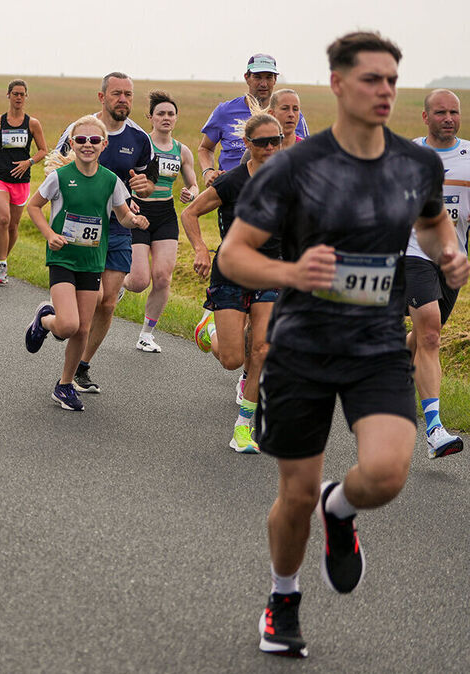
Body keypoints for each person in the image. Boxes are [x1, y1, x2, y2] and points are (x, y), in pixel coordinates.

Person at [216, 32, 469, 658]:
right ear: (337, 84)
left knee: (385, 473)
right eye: (370, 80)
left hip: (377, 342)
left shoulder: (414, 165)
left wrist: (449, 253)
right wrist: (290, 274)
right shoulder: (293, 167)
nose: (383, 91)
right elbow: (235, 254)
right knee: (293, 496)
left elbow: (433, 218)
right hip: (301, 347)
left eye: (391, 80)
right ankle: (283, 597)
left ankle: (343, 508)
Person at [24, 115, 149, 411]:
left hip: (93, 261)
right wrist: (50, 234)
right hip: (63, 258)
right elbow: (33, 206)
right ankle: (44, 320)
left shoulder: (111, 181)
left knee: (83, 328)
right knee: (67, 325)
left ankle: (64, 385)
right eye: (81, 140)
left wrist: (135, 220)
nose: (88, 145)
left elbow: (122, 216)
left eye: (94, 140)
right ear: (72, 143)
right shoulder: (59, 177)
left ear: (104, 145)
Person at [181, 113, 284, 453]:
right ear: (249, 145)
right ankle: (208, 330)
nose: (270, 148)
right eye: (263, 142)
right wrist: (199, 248)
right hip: (230, 272)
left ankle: (243, 428)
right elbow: (190, 213)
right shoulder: (233, 182)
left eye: (276, 141)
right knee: (232, 359)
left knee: (262, 349)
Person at [53, 73, 156, 394]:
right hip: (80, 228)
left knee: (108, 304)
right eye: (116, 94)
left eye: (128, 94)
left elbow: (150, 181)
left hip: (120, 227)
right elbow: (54, 171)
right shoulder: (80, 130)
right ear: (102, 97)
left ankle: (81, 367)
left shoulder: (140, 138)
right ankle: (55, 319)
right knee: (92, 300)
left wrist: (145, 186)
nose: (123, 99)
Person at [403, 89, 468, 459]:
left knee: (426, 334)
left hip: (452, 260)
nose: (448, 118)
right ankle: (434, 429)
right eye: (440, 112)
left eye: (454, 112)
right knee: (429, 330)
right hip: (414, 252)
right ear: (425, 117)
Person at [125, 90, 199, 351]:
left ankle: (146, 334)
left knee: (163, 278)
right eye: (161, 114)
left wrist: (191, 193)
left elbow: (193, 183)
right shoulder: (141, 144)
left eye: (171, 114)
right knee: (138, 282)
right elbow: (123, 174)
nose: (166, 118)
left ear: (176, 118)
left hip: (166, 215)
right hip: (137, 213)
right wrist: (126, 202)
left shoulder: (182, 150)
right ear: (151, 117)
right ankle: (116, 280)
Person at [198, 54, 309, 186]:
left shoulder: (291, 115)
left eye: (268, 77)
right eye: (257, 77)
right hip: (230, 191)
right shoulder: (224, 111)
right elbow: (205, 148)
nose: (263, 83)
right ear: (247, 77)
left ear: (275, 80)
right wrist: (208, 172)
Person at [0, 79, 47, 285]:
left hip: (21, 180)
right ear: (8, 95)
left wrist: (29, 162)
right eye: (15, 94)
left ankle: (3, 259)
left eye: (22, 94)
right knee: (3, 218)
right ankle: (2, 265)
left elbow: (43, 150)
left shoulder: (32, 123)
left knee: (13, 225)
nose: (18, 97)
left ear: (26, 97)